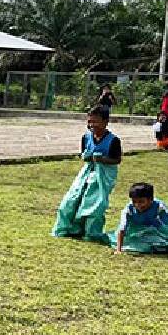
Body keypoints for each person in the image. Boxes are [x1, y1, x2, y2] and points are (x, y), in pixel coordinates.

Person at [52, 105, 122, 244]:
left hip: (103, 176)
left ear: (105, 122)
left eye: (95, 122)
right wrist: (87, 157)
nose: (92, 125)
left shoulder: (113, 140)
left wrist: (102, 159)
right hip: (87, 172)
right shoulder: (86, 137)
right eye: (89, 121)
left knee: (95, 203)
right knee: (72, 199)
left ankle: (91, 232)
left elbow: (117, 159)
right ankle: (69, 228)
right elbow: (83, 154)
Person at [110, 183, 168, 260]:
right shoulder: (128, 209)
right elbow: (122, 229)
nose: (137, 205)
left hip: (153, 229)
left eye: (141, 201)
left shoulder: (160, 207)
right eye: (134, 201)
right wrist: (118, 250)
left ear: (151, 200)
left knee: (167, 245)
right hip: (133, 230)